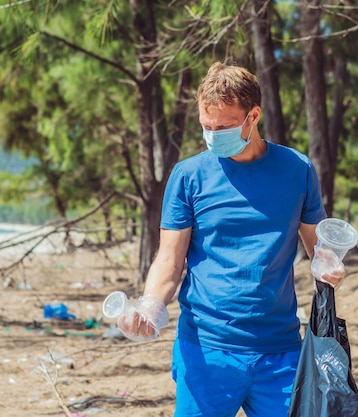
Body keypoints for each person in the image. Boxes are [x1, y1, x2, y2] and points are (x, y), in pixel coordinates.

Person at [117, 61, 344, 417]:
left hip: (280, 349)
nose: (212, 136)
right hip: (206, 349)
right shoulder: (188, 176)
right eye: (206, 127)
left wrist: (328, 264)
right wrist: (150, 305)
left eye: (222, 127)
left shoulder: (297, 169)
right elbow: (169, 259)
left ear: (253, 116)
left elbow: (319, 247)